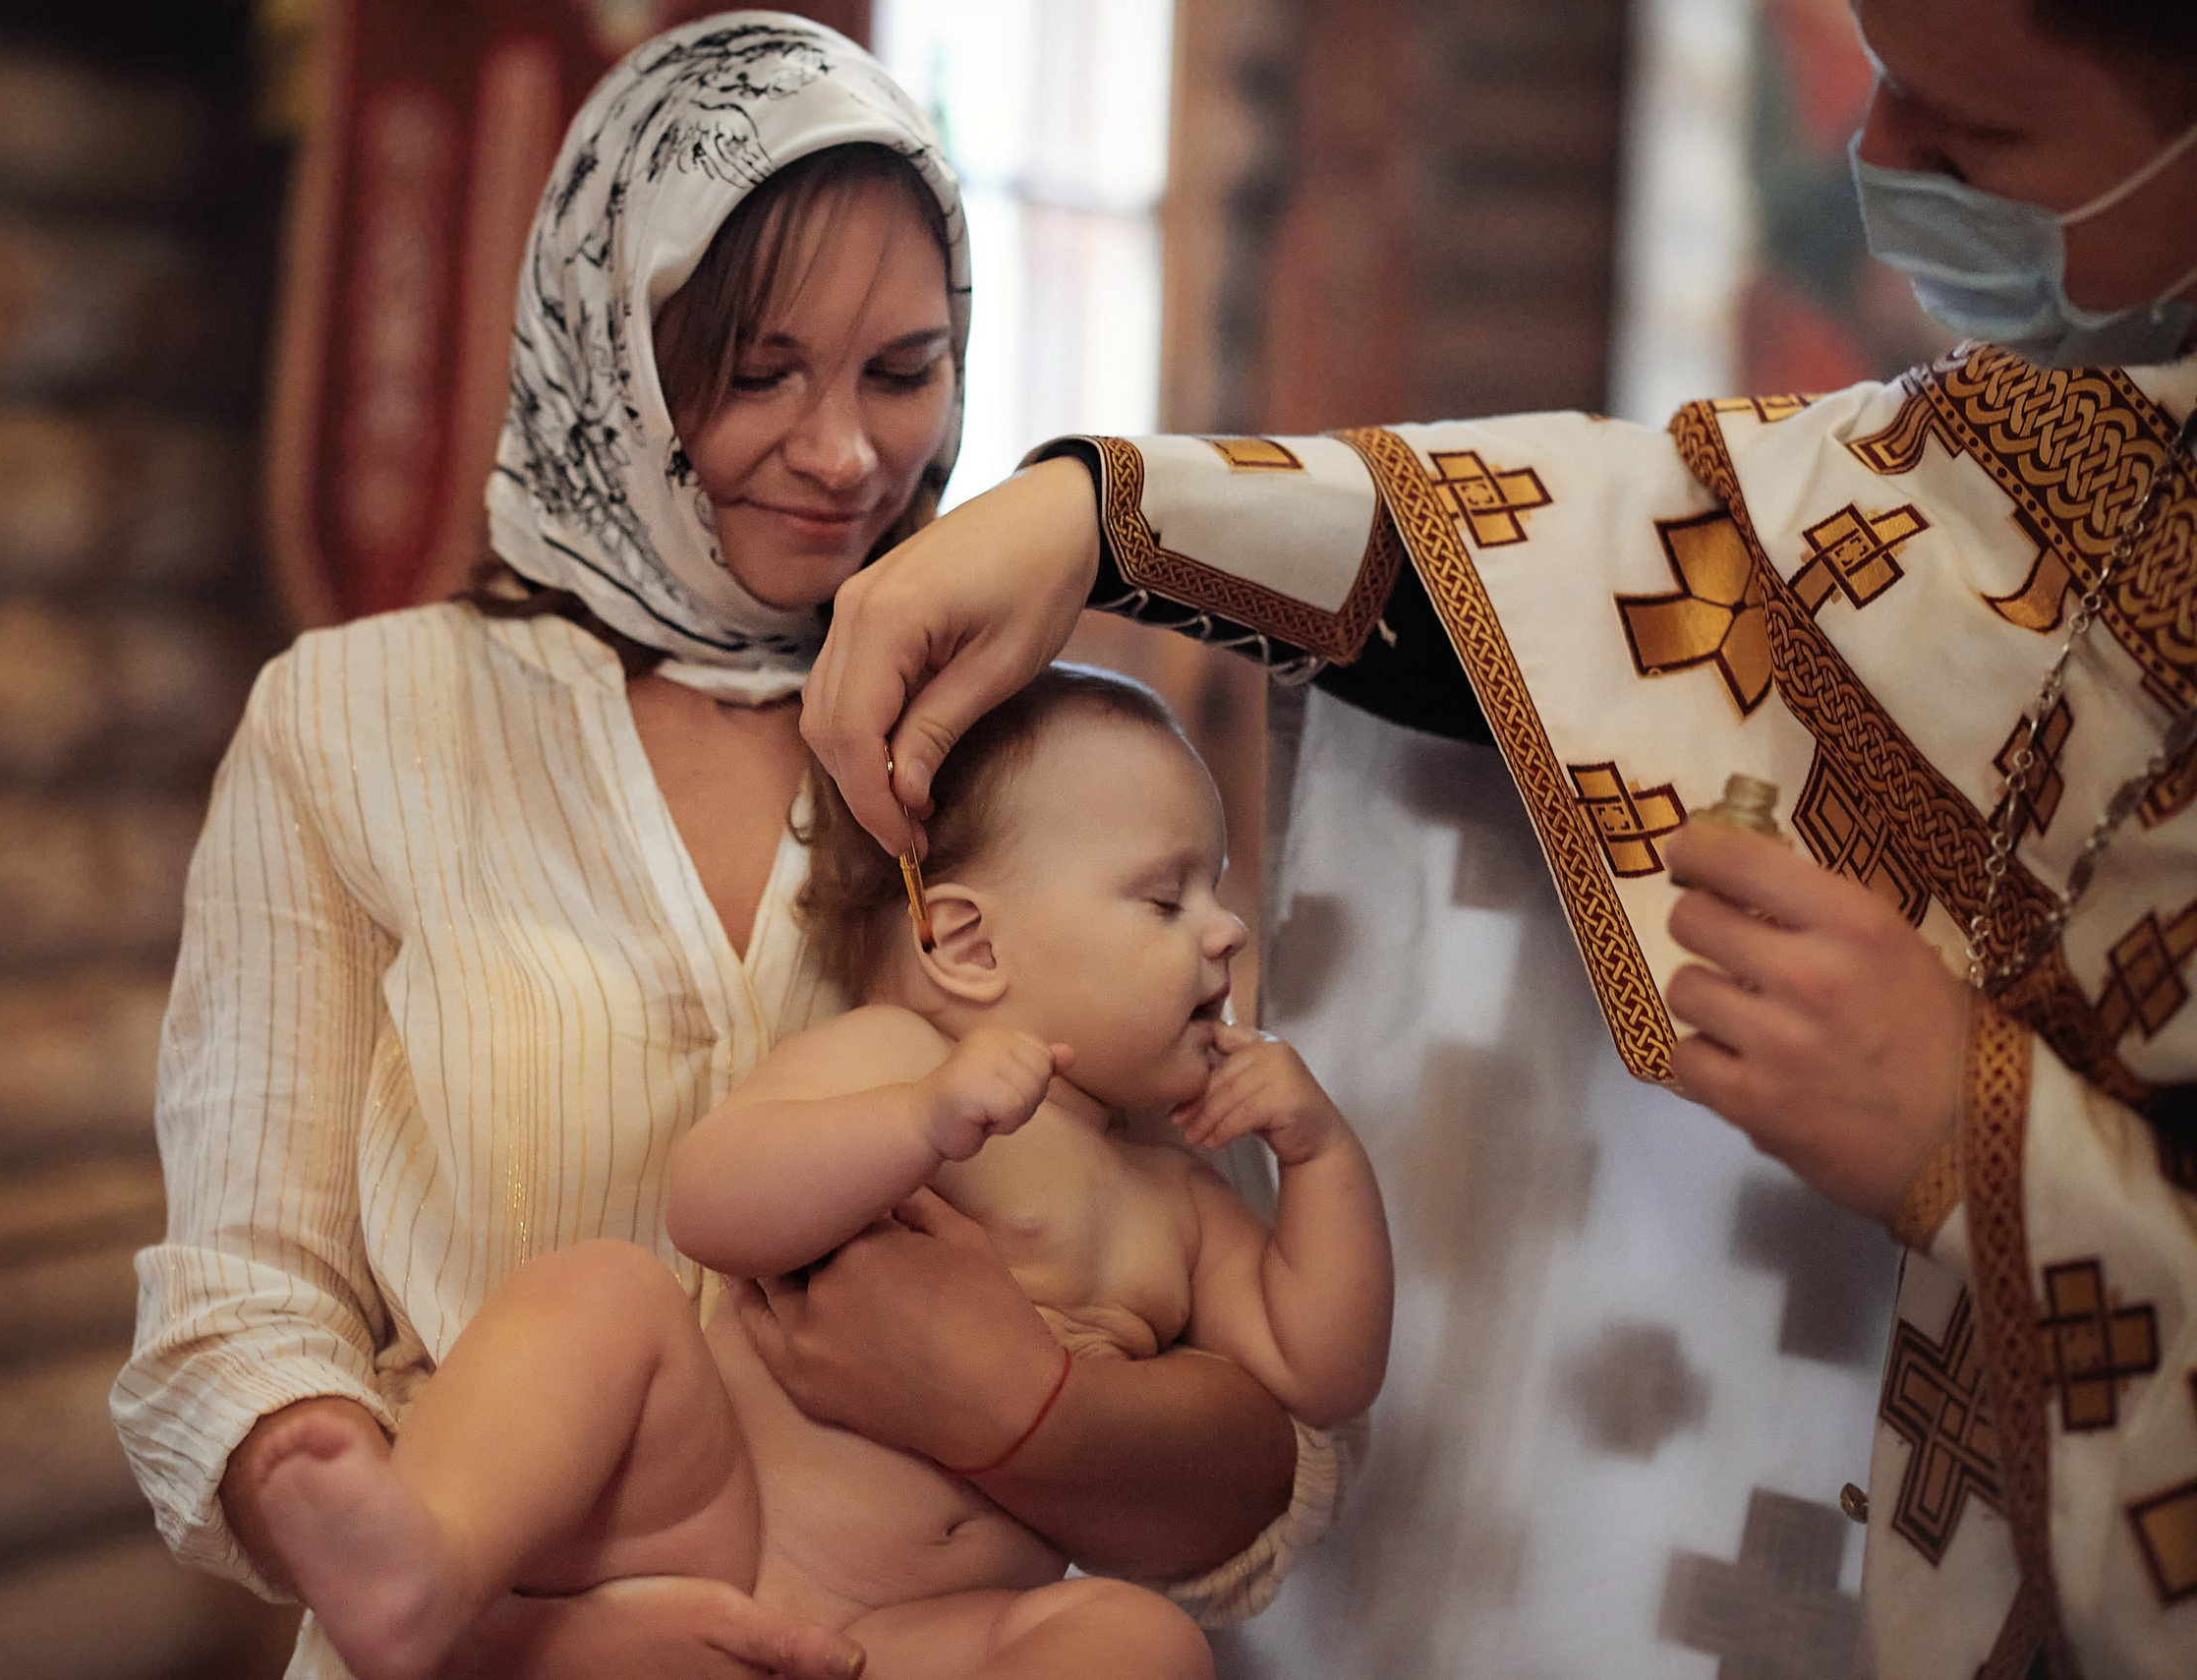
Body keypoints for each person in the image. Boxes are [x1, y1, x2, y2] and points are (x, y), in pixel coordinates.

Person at [795, 1, 2197, 1675]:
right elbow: (1653, 570)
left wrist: (1981, 1144)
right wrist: (1102, 518)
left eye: (1976, 137)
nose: (1874, 156)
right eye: (1879, 73)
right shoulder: (2077, 439)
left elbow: (1310, 1359)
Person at [111, 17, 1334, 1680]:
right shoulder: (357, 718)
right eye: (760, 372)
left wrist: (1020, 1404)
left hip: (920, 1624)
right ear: (614, 346)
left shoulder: (1030, 757)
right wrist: (471, 1582)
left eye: (903, 371)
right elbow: (235, 1309)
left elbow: (1262, 1411)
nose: (846, 455)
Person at [243, 666, 1393, 1680]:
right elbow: (710, 1201)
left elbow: (1320, 1366)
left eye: (1221, 886)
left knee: (1141, 1643)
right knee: (600, 1293)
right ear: (968, 944)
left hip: (926, 1631)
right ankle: (432, 1561)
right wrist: (915, 1122)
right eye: (1166, 896)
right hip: (709, 1534)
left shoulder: (1182, 1199)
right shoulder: (904, 1061)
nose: (1226, 930)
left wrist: (1322, 1154)